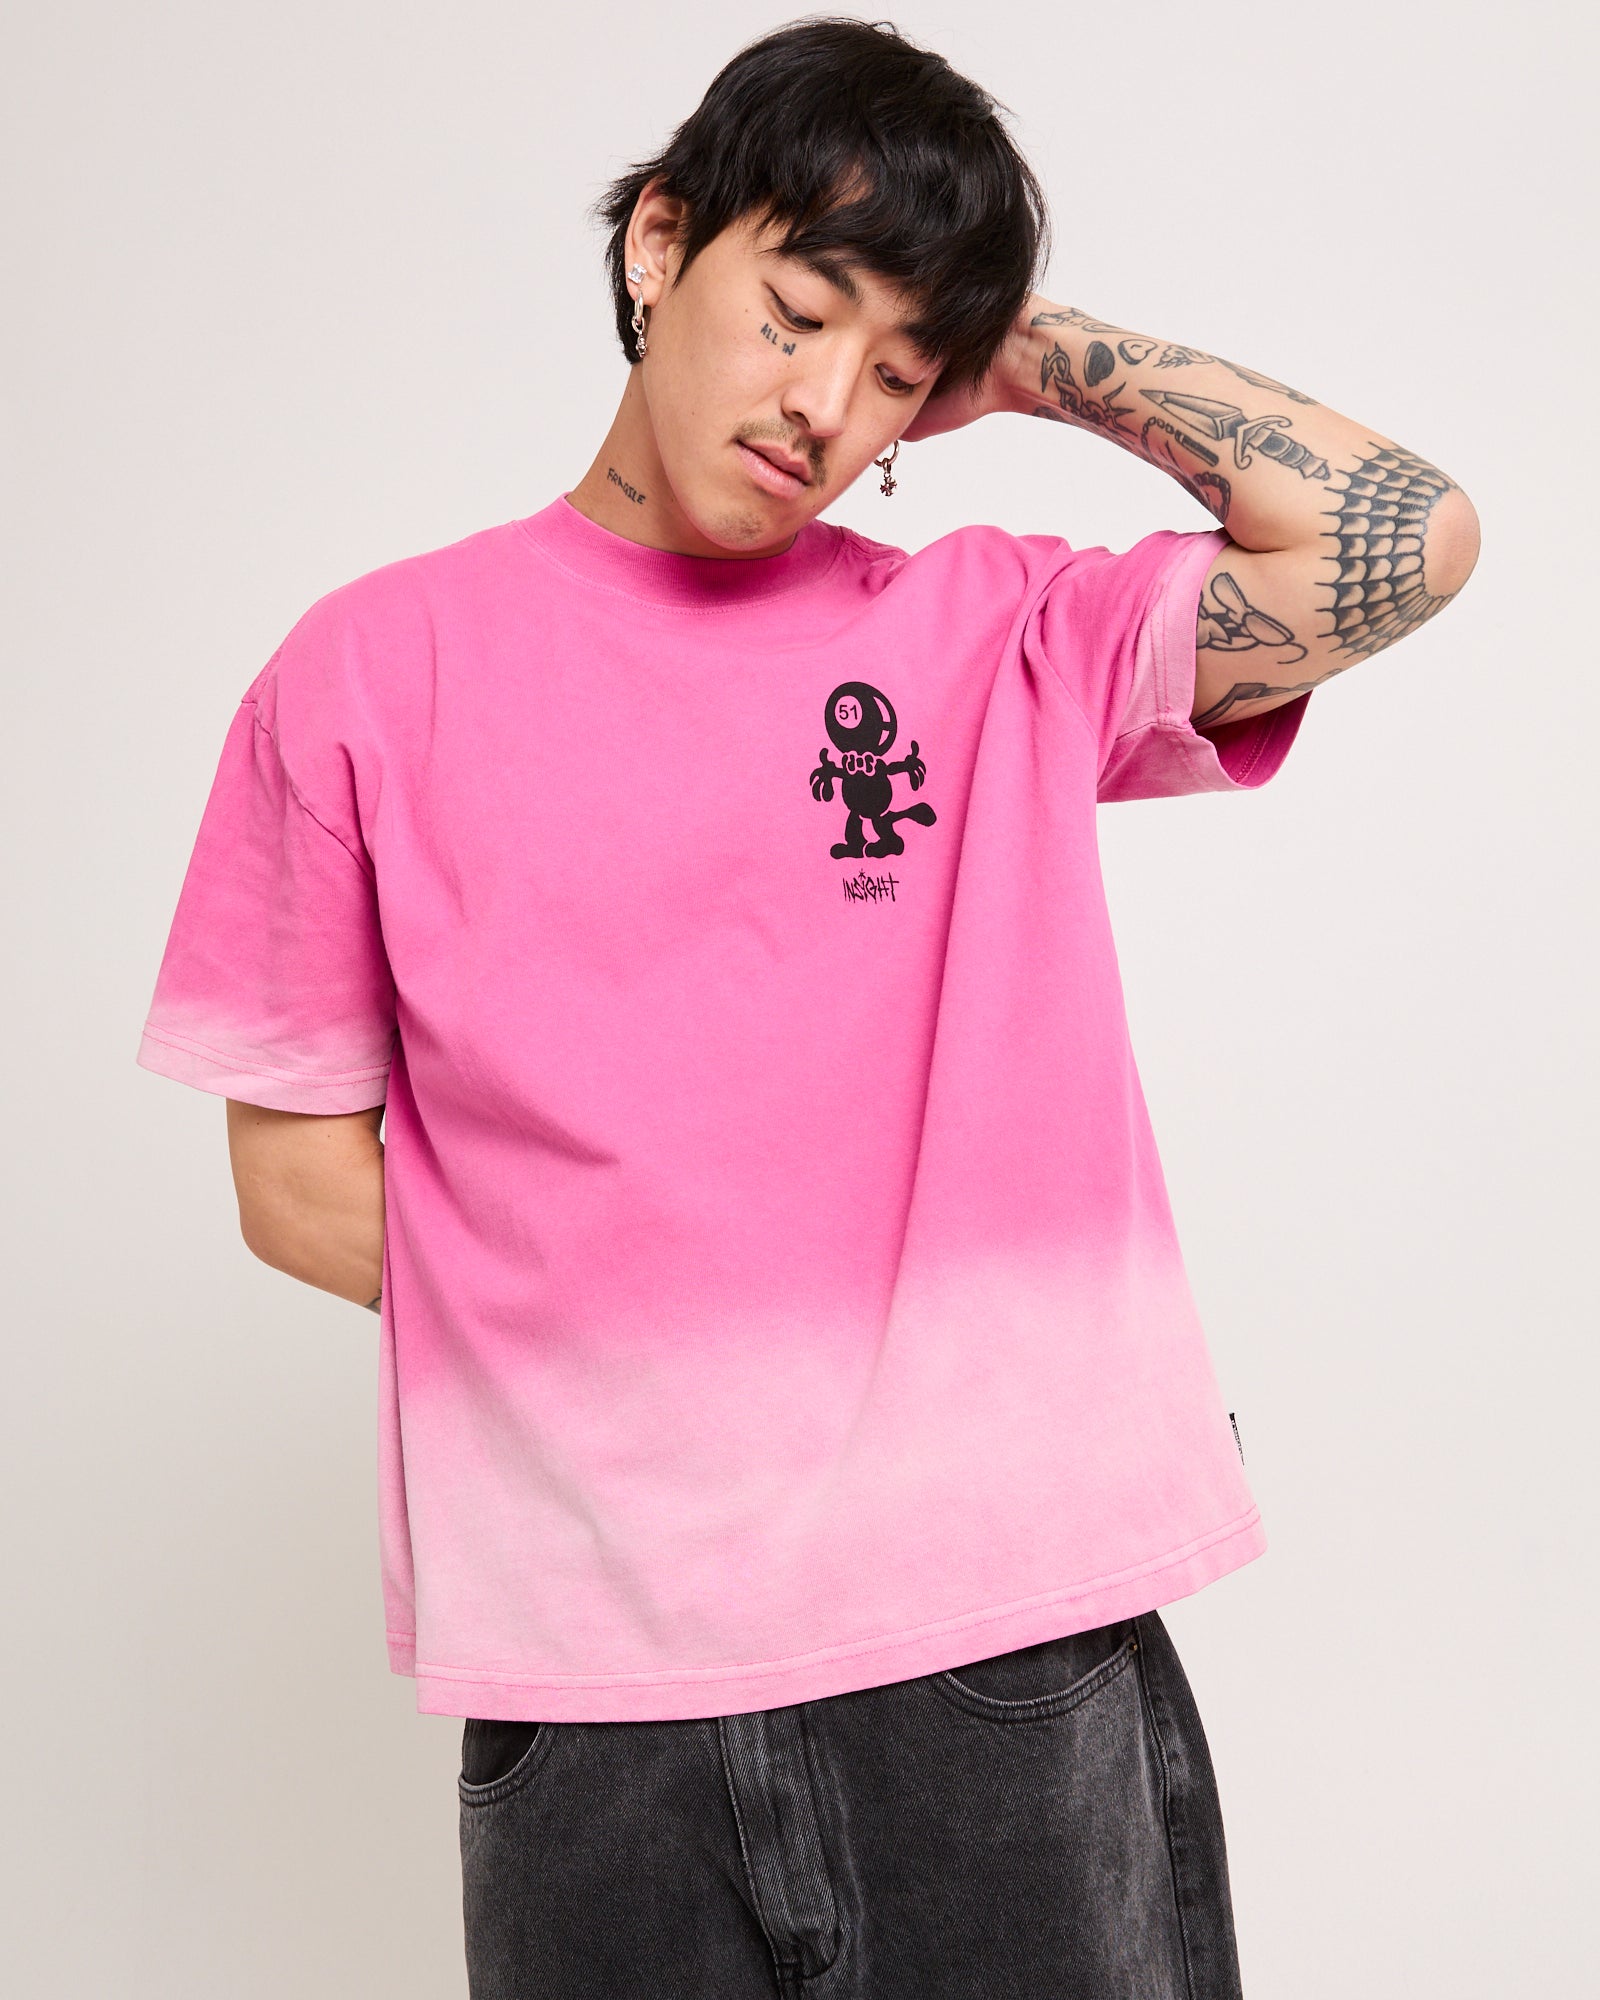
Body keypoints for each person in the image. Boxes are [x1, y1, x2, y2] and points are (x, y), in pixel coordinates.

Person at [135, 17, 1480, 1998]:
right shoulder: (364, 675)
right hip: (590, 1678)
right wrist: (702, 1369)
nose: (825, 404)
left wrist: (1023, 349)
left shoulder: (991, 633)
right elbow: (297, 1187)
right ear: (658, 244)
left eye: (898, 370)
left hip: (1000, 1635)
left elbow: (1402, 535)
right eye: (796, 311)